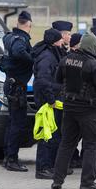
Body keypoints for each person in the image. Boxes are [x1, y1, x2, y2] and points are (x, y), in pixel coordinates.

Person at [51, 33, 96, 189]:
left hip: (69, 108)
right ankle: (87, 182)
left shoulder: (65, 60)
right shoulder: (93, 64)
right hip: (88, 111)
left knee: (66, 144)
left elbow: (57, 80)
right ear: (93, 47)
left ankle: (57, 180)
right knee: (91, 145)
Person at [2, 11, 33, 172]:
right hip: (17, 87)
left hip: (10, 83)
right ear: (28, 25)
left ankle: (7, 156)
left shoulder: (9, 36)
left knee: (11, 122)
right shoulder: (20, 39)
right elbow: (19, 52)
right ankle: (12, 159)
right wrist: (32, 60)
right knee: (18, 124)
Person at [32, 28, 64, 179]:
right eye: (60, 39)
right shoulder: (47, 57)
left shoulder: (52, 54)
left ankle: (49, 166)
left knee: (53, 133)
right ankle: (42, 168)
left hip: (52, 99)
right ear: (54, 41)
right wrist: (51, 99)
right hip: (47, 102)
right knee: (47, 135)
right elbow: (43, 81)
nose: (62, 41)